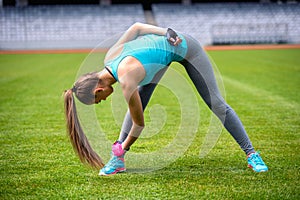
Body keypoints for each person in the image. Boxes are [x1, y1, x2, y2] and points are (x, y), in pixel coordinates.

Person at [64, 22, 268, 176]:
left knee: (215, 103)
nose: (104, 101)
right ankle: (118, 161)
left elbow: (139, 125)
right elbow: (135, 28)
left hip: (186, 48)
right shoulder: (109, 57)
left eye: (98, 100)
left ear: (98, 89)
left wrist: (168, 33)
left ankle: (252, 155)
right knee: (139, 101)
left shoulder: (126, 79)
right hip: (158, 61)